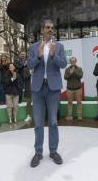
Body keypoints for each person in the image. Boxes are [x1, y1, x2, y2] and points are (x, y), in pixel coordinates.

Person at [27, 19, 67, 167]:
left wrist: (53, 55)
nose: (50, 29)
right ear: (42, 30)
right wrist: (37, 56)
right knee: (38, 123)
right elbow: (29, 65)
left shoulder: (59, 46)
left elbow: (63, 64)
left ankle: (53, 151)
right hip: (37, 88)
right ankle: (38, 152)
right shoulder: (34, 46)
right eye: (47, 27)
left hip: (53, 88)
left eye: (52, 28)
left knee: (53, 122)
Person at [64, 57, 83, 121]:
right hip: (69, 89)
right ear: (70, 62)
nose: (72, 62)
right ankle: (69, 116)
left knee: (79, 102)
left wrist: (74, 72)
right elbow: (65, 77)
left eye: (74, 61)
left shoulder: (79, 69)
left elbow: (80, 76)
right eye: (71, 61)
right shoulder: (67, 69)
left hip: (78, 89)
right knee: (69, 102)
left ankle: (79, 116)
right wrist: (70, 73)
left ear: (75, 61)